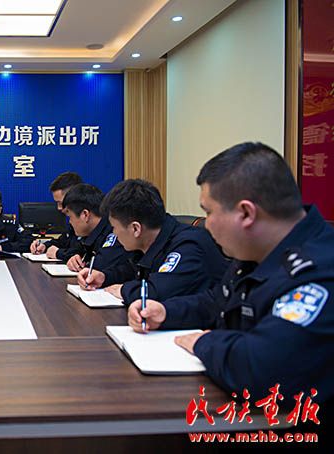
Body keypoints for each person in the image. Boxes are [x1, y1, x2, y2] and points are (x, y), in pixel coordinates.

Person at [127, 142, 334, 403]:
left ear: (246, 213)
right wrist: (166, 312)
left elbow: (260, 369)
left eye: (208, 212)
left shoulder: (319, 271)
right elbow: (217, 302)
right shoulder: (256, 251)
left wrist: (202, 343)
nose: (206, 224)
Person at [78, 179, 227, 303]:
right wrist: (105, 277)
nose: (114, 234)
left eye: (114, 227)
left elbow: (157, 292)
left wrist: (123, 290)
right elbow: (132, 271)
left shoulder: (188, 245)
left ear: (135, 228)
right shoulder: (151, 242)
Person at [58, 183, 130, 272]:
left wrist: (84, 264)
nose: (70, 222)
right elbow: (79, 253)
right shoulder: (90, 233)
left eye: (70, 217)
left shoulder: (113, 229)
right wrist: (75, 260)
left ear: (85, 215)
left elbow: (101, 265)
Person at [30, 171, 83, 261]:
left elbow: (80, 252)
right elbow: (63, 242)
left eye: (61, 203)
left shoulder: (85, 221)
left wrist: (58, 253)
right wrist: (44, 245)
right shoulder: (72, 224)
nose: (59, 208)